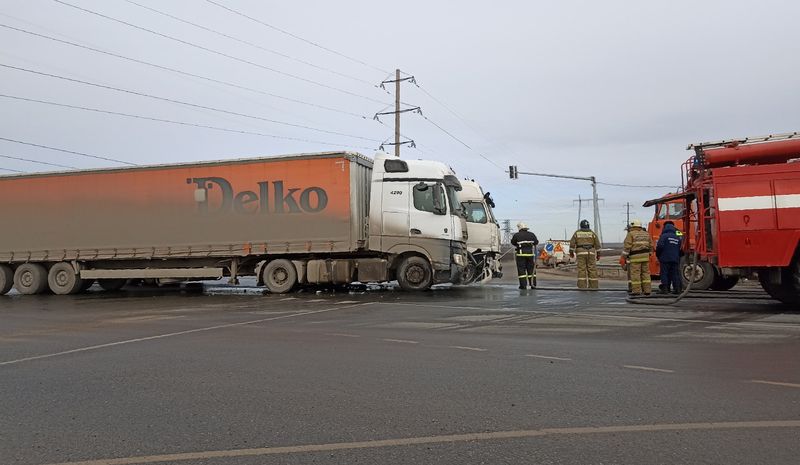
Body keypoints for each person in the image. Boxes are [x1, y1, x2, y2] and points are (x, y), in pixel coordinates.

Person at [622, 219, 653, 296]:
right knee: (646, 273)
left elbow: (627, 247)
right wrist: (649, 254)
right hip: (645, 257)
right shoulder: (646, 234)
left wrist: (624, 257)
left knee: (635, 274)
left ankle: (636, 291)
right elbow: (651, 245)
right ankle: (647, 290)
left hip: (635, 257)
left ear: (633, 226)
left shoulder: (631, 234)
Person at [569, 219, 601, 289]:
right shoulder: (592, 233)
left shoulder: (577, 233)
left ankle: (582, 286)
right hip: (591, 252)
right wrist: (598, 255)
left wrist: (571, 253)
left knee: (582, 269)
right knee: (592, 269)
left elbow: (572, 244)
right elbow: (597, 244)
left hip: (581, 253)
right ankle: (593, 286)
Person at [656, 220, 683, 294]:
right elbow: (680, 249)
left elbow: (660, 246)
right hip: (675, 259)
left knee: (664, 273)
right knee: (675, 274)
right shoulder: (677, 237)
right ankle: (677, 289)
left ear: (664, 227)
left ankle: (665, 289)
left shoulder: (664, 236)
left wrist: (658, 255)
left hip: (665, 259)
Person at [511, 222, 539, 289]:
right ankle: (533, 284)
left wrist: (518, 245)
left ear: (519, 228)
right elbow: (536, 242)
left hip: (521, 255)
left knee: (521, 271)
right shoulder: (532, 234)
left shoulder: (517, 235)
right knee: (531, 270)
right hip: (530, 255)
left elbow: (513, 242)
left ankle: (523, 286)